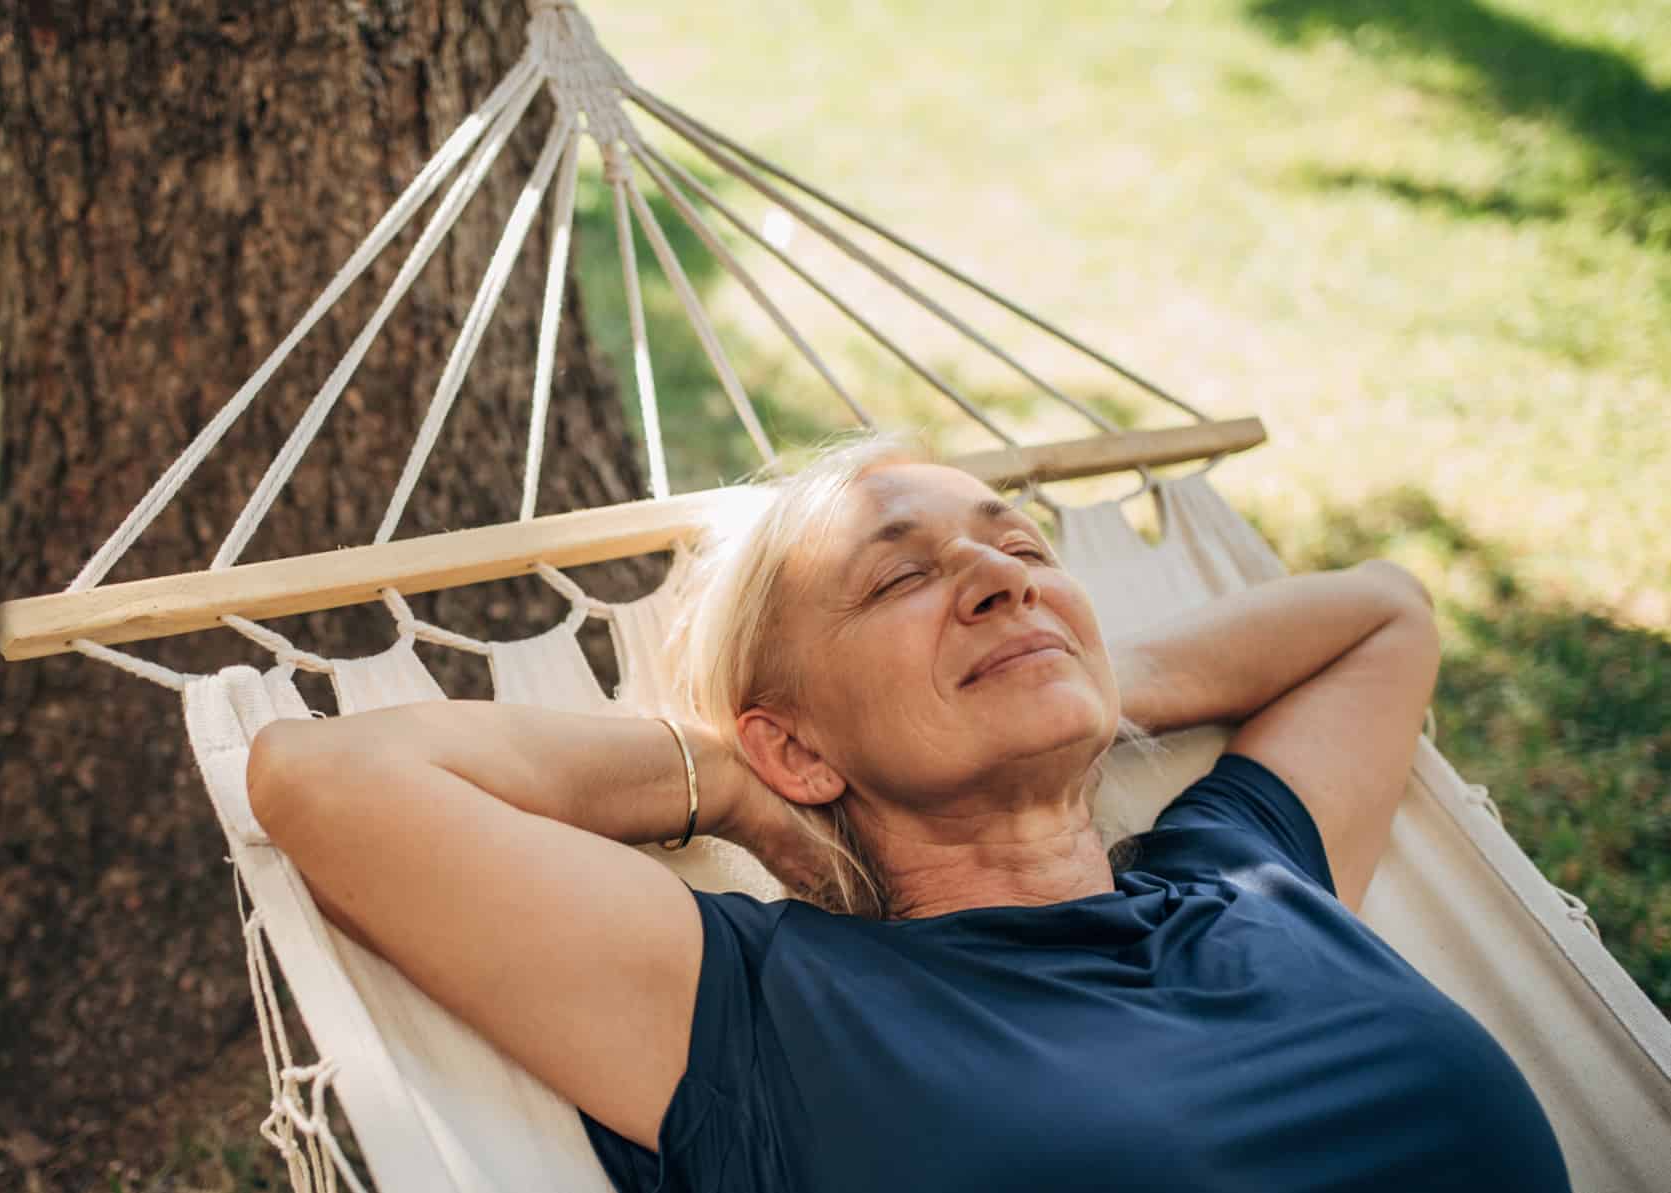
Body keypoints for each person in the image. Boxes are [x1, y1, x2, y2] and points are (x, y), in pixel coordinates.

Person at [245, 434, 1569, 1192]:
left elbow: (1382, 613)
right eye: (897, 582)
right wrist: (733, 784)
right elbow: (325, 781)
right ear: (796, 740)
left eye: (1021, 549)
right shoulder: (765, 1013)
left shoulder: (1244, 867)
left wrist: (1081, 674)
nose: (1001, 578)